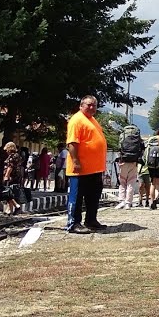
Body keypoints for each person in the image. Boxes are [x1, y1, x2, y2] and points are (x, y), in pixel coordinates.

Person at [65, 96, 108, 233]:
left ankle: (91, 220)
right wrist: (76, 161)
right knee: (76, 197)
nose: (92, 108)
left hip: (94, 169)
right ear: (81, 105)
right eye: (89, 105)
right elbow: (72, 143)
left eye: (94, 105)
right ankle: (73, 223)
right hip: (80, 168)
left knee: (93, 196)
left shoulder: (92, 120)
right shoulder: (77, 120)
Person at [114, 125, 144, 209]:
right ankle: (128, 203)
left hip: (123, 161)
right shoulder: (137, 137)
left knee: (122, 182)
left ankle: (121, 201)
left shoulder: (122, 135)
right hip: (134, 162)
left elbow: (119, 147)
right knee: (131, 182)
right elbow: (142, 148)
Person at [0, 142, 24, 215]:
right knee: (11, 192)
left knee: (7, 192)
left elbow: (10, 166)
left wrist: (6, 176)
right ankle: (10, 210)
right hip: (17, 176)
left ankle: (16, 206)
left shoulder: (12, 156)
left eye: (7, 149)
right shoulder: (17, 155)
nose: (6, 151)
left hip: (11, 177)